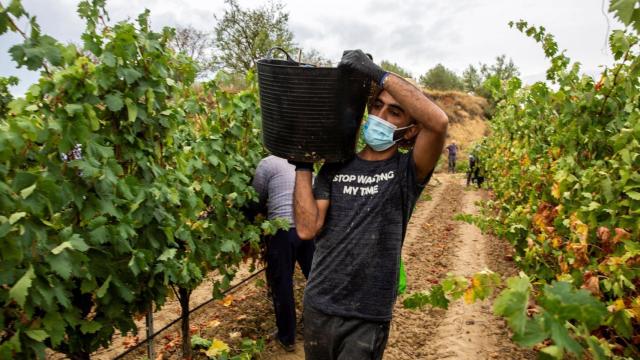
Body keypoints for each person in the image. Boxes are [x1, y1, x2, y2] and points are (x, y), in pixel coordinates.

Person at [291, 50, 448, 359]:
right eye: (377, 106)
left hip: (368, 315)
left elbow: (439, 123)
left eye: (395, 112)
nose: (380, 116)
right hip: (320, 304)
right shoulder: (336, 166)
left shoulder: (407, 172)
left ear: (411, 129)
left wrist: (376, 73)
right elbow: (308, 229)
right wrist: (302, 166)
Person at [252, 155, 315, 352]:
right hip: (309, 228)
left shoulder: (268, 163)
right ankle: (315, 327)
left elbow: (255, 199)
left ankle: (287, 338)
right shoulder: (306, 165)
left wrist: (253, 220)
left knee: (282, 283)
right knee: (316, 279)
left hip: (282, 229)